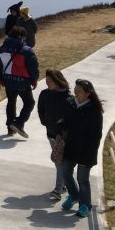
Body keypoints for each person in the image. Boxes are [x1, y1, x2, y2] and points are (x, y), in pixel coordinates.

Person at [58, 78, 104, 218]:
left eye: (79, 91)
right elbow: (64, 120)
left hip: (86, 151)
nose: (75, 93)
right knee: (65, 172)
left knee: (82, 179)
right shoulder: (70, 103)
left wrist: (90, 155)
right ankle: (74, 196)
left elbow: (96, 136)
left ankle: (85, 205)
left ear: (88, 93)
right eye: (75, 90)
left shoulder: (94, 111)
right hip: (70, 147)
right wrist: (60, 126)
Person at [0, 26, 39, 138]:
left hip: (8, 81)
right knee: (29, 103)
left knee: (11, 102)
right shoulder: (27, 50)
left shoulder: (1, 49)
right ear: (22, 37)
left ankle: (10, 127)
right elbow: (33, 67)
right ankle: (18, 123)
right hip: (22, 81)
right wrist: (34, 79)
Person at [37, 69, 71, 200]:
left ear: (57, 82)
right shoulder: (44, 94)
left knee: (59, 161)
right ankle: (63, 186)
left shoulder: (68, 98)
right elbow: (40, 110)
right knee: (59, 160)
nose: (47, 83)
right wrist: (45, 122)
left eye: (49, 81)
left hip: (62, 135)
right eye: (46, 80)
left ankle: (58, 189)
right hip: (50, 133)